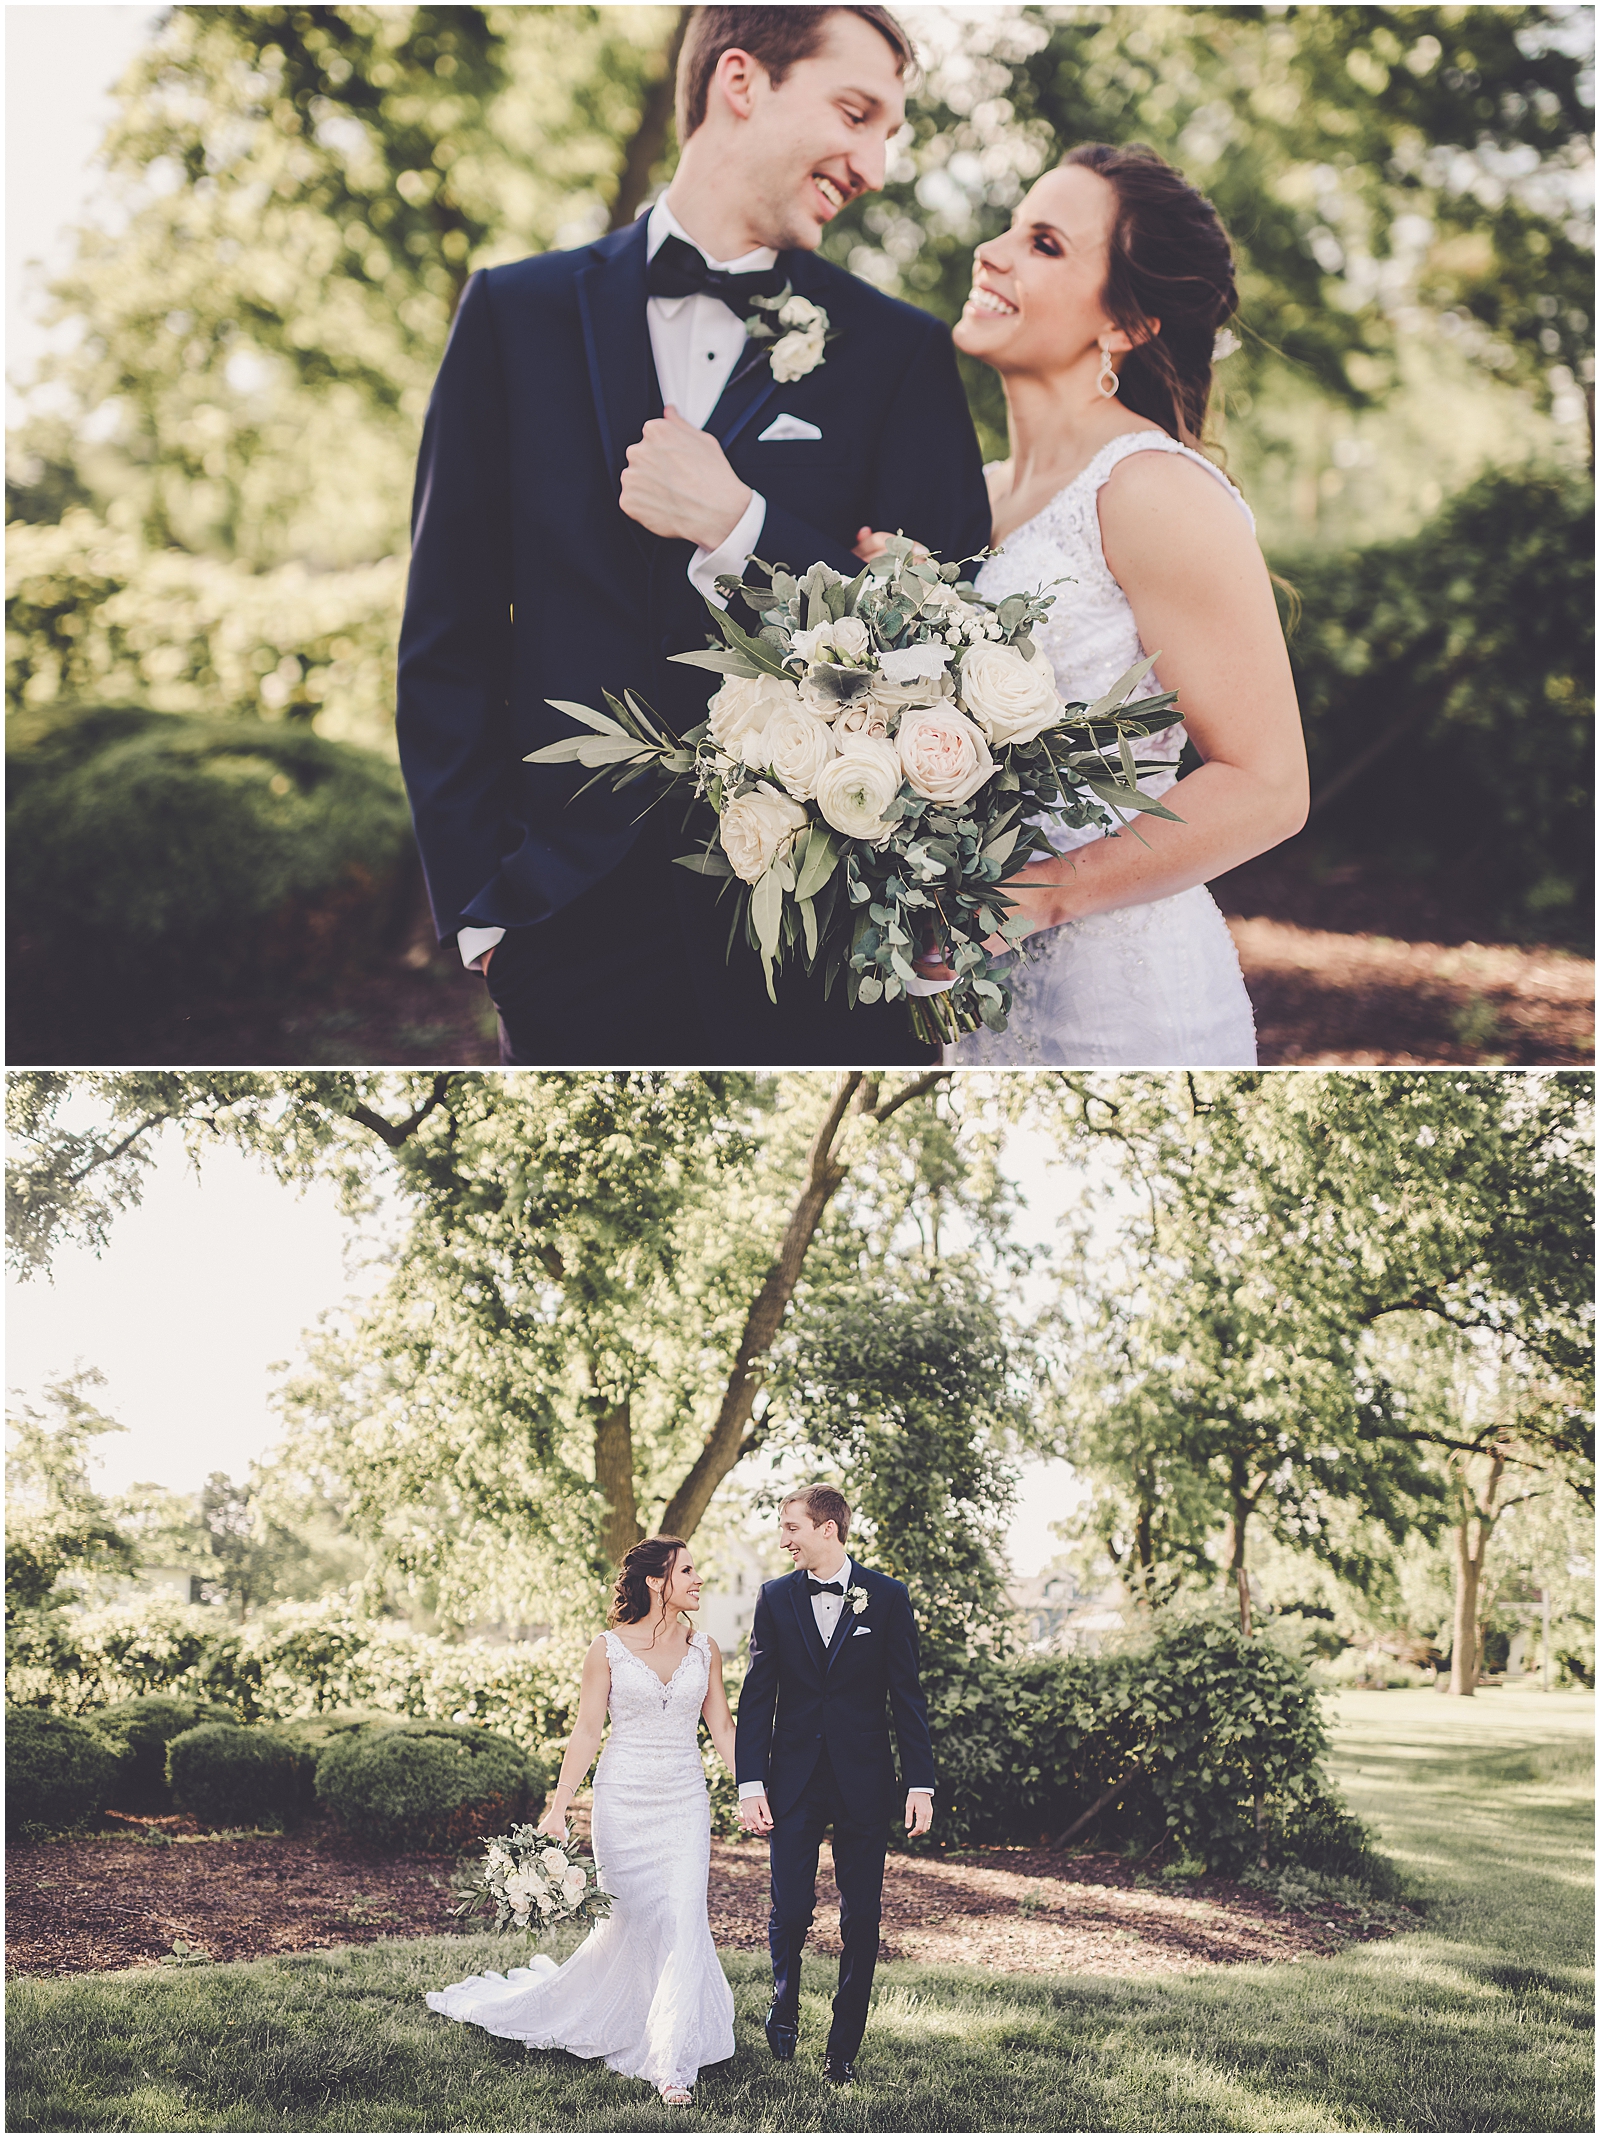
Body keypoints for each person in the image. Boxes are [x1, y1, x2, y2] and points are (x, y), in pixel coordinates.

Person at [396, 4, 991, 1066]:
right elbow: (448, 635)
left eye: (890, 136)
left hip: (823, 942)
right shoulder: (511, 314)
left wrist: (742, 527)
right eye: (856, 114)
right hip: (566, 937)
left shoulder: (899, 354)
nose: (875, 166)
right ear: (740, 82)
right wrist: (489, 913)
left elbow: (942, 651)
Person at [870, 142, 1308, 1065]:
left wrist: (1050, 892)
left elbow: (1269, 787)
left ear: (1127, 324)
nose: (994, 251)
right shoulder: (973, 498)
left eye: (1045, 244)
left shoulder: (1151, 489)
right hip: (973, 995)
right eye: (1009, 227)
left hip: (1121, 999)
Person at [425, 1537, 736, 2107]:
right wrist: (559, 1805)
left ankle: (672, 2063)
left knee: (685, 1916)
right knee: (632, 1921)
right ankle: (623, 2020)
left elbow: (721, 1728)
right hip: (622, 1802)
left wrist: (749, 1791)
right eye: (687, 1570)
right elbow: (588, 1731)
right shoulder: (607, 1649)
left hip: (685, 1801)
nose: (698, 1580)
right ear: (655, 1582)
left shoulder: (705, 1648)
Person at [734, 1485, 934, 2088]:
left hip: (864, 1782)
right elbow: (757, 1696)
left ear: (828, 1530)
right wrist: (750, 1782)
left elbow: (907, 1697)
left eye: (791, 1527)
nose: (782, 1538)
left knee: (862, 1919)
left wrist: (919, 1783)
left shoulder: (888, 1597)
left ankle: (842, 2049)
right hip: (793, 1780)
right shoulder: (775, 1598)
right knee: (790, 1910)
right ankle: (784, 2001)